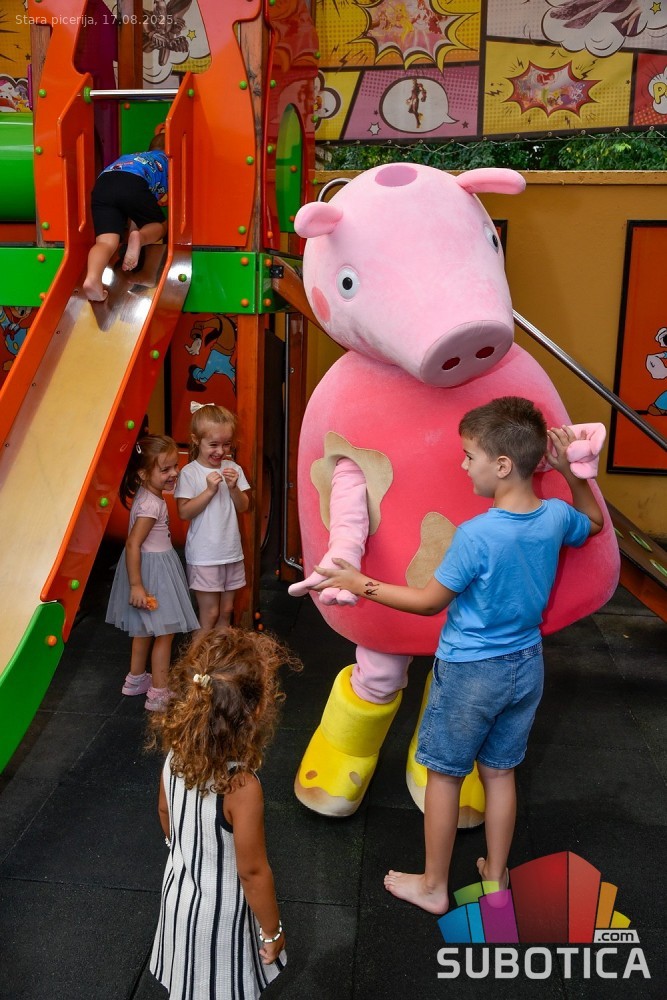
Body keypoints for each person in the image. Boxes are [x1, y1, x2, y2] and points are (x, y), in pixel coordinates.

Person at [308, 396, 604, 914]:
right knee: (500, 772)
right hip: (526, 665)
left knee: (444, 777)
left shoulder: (476, 535)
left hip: (471, 673)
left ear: (503, 465)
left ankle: (433, 885)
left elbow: (428, 603)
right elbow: (594, 522)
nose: (463, 465)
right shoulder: (555, 516)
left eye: (470, 456)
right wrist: (570, 474)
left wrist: (360, 583)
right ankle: (496, 874)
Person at [147, 626, 300, 999]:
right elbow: (252, 872)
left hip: (178, 895)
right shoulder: (240, 787)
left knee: (189, 981)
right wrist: (273, 931)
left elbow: (165, 810)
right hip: (220, 915)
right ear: (256, 710)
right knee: (220, 984)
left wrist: (182, 849)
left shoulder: (176, 756)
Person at [106, 434, 199, 711]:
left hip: (149, 566)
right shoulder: (152, 505)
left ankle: (136, 679)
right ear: (144, 474)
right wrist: (137, 585)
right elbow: (133, 543)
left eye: (175, 466)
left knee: (144, 628)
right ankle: (158, 692)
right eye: (165, 469)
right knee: (165, 632)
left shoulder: (145, 495)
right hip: (155, 571)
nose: (174, 473)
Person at [175, 403, 251, 630]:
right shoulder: (190, 472)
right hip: (205, 556)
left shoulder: (233, 468)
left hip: (230, 552)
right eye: (214, 444)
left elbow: (244, 507)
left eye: (226, 444)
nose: (220, 451)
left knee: (226, 612)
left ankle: (218, 653)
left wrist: (233, 488)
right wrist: (209, 491)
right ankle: (196, 654)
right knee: (210, 613)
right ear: (196, 440)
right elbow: (184, 512)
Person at [83, 128, 168, 301]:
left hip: (103, 183)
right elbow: (141, 202)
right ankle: (141, 238)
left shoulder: (135, 157)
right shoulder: (169, 160)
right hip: (133, 183)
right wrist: (138, 234)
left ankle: (92, 279)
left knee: (106, 242)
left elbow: (136, 210)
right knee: (159, 225)